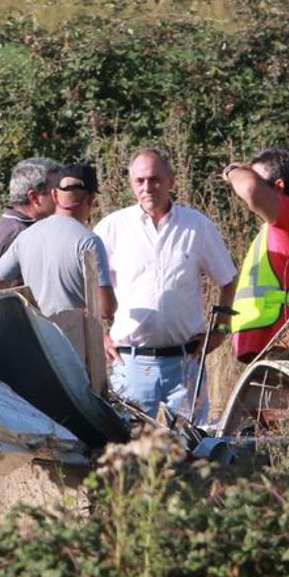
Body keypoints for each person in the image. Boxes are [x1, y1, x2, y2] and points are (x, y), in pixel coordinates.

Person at [95, 148, 238, 421]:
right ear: (131, 184)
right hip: (129, 364)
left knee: (190, 454)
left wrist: (220, 328)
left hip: (185, 364)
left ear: (171, 181)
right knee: (130, 452)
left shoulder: (197, 226)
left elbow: (228, 279)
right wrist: (97, 335)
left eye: (155, 179)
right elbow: (84, 286)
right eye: (140, 181)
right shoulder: (112, 228)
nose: (147, 187)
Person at [222, 147, 289, 363]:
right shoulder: (288, 224)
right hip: (286, 337)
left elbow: (251, 189)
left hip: (286, 337)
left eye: (260, 180)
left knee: (275, 396)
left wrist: (232, 170)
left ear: (278, 188)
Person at [0, 183, 116, 323]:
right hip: (77, 338)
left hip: (41, 335)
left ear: (55, 196)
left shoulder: (25, 237)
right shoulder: (88, 240)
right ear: (90, 199)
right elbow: (105, 308)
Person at [0, 157, 61, 276]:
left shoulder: (7, 225)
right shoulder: (20, 233)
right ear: (34, 197)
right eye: (55, 191)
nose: (60, 197)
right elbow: (17, 290)